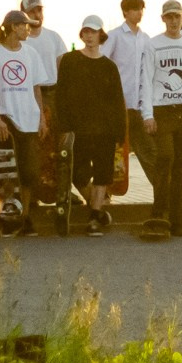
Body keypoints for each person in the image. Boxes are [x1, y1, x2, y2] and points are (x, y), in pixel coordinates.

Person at [140, 0, 182, 238]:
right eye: (169, 17)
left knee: (180, 165)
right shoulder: (153, 44)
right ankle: (159, 212)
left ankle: (177, 220)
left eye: (177, 16)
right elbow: (146, 80)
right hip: (162, 109)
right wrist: (147, 114)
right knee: (165, 157)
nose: (173, 21)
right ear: (163, 19)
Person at [55, 15, 124, 236]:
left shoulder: (109, 66)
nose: (89, 36)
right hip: (78, 129)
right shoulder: (70, 61)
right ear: (81, 34)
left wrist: (120, 132)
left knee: (103, 174)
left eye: (93, 32)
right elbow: (61, 96)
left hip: (104, 130)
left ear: (100, 34)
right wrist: (63, 127)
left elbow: (117, 100)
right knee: (76, 173)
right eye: (86, 32)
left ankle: (94, 217)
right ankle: (97, 208)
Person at [0, 9, 51, 232]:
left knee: (29, 172)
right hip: (6, 120)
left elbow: (36, 88)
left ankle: (24, 216)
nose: (28, 30)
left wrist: (41, 118)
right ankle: (8, 216)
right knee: (6, 173)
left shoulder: (31, 54)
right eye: (25, 26)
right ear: (14, 27)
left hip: (29, 120)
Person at [102, 0, 162, 194]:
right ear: (125, 12)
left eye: (141, 9)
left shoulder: (146, 39)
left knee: (148, 151)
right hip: (118, 105)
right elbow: (103, 62)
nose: (139, 13)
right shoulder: (114, 36)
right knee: (115, 152)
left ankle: (162, 192)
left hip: (139, 105)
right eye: (135, 9)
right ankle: (107, 194)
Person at [17, 0, 65, 100]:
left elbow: (62, 67)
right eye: (32, 12)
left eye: (39, 10)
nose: (37, 15)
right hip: (28, 93)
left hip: (53, 92)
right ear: (23, 14)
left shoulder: (54, 37)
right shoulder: (19, 41)